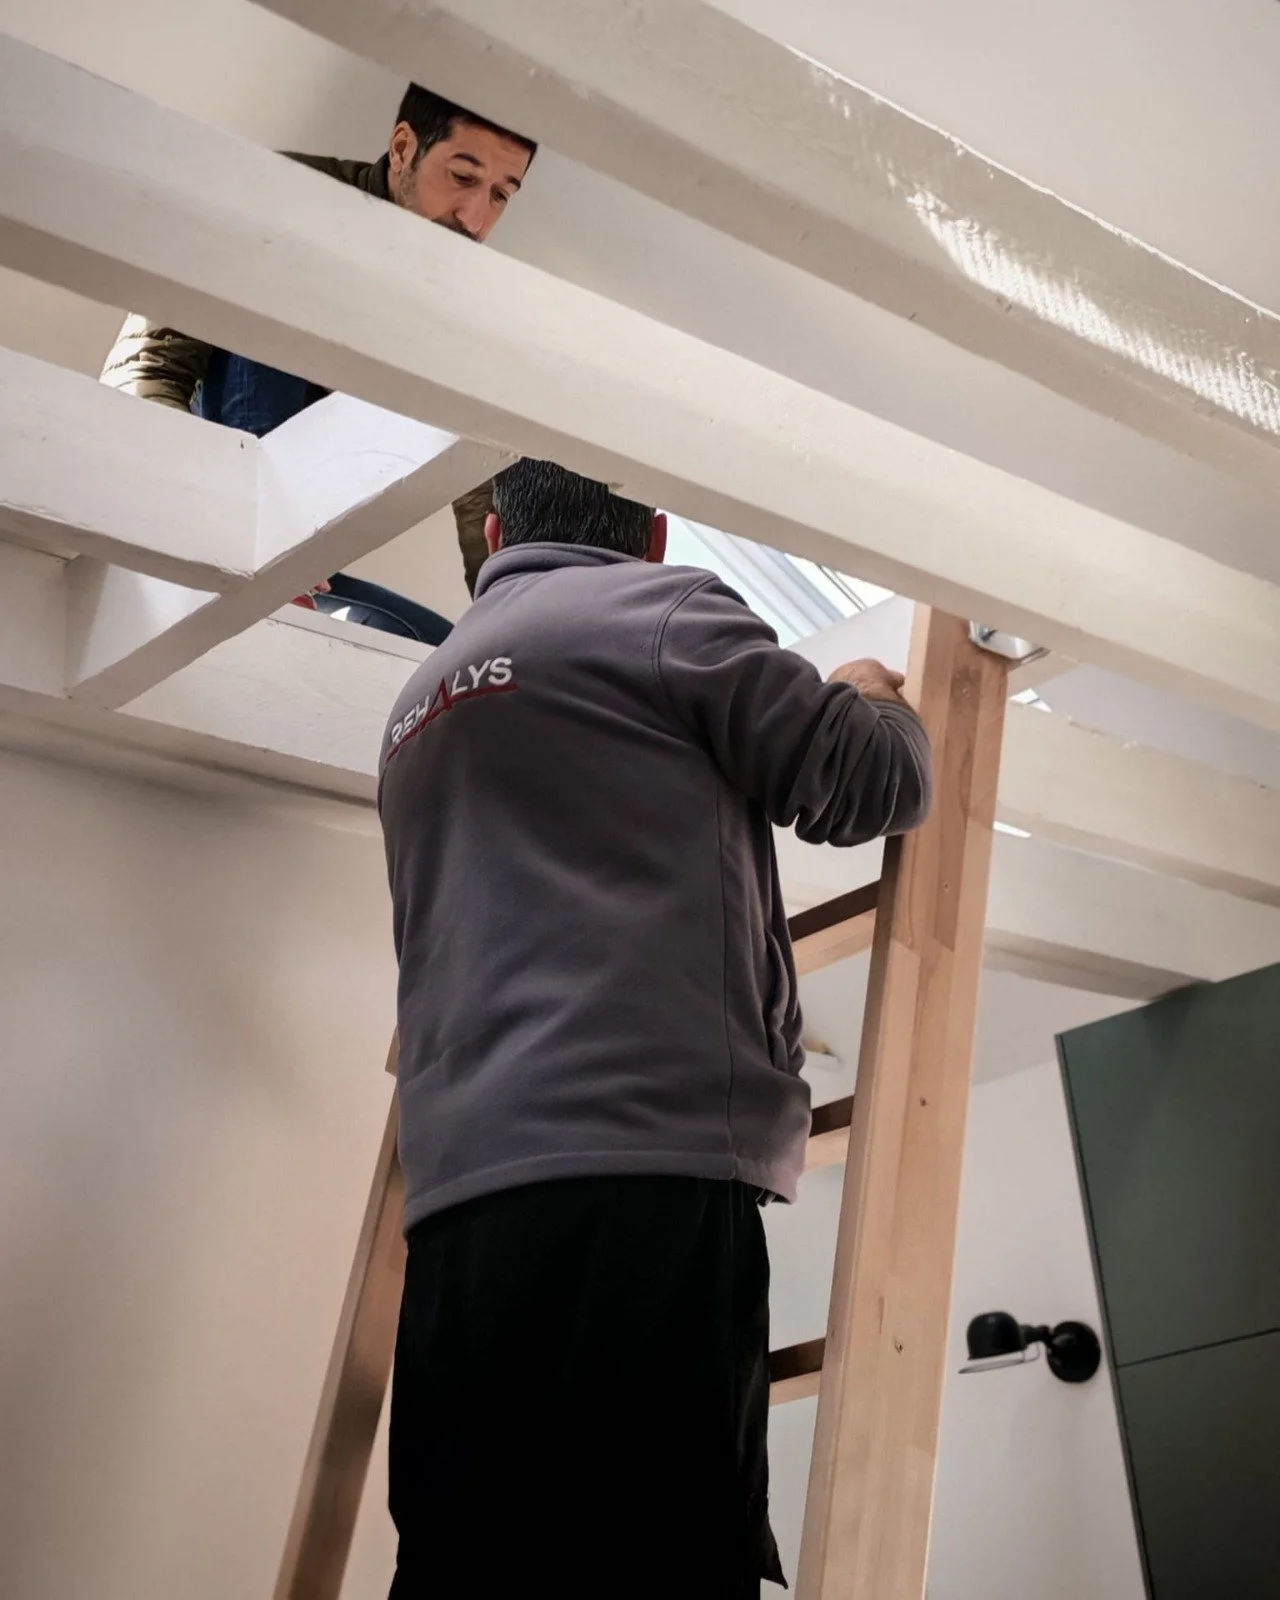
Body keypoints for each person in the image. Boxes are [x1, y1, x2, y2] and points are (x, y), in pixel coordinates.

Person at [377, 458, 934, 1596]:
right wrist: (869, 692)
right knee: (666, 1544)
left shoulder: (415, 702)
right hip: (640, 1161)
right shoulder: (658, 609)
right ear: (657, 533)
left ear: (495, 536)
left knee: (466, 1557)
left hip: (455, 1199)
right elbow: (865, 780)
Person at [99, 83, 536, 639]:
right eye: (463, 177)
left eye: (500, 196)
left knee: (444, 656)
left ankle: (294, 583)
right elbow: (143, 372)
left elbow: (477, 490)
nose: (475, 218)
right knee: (301, 263)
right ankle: (268, 558)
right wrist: (207, 513)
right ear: (404, 147)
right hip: (210, 508)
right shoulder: (277, 196)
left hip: (311, 557)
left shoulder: (457, 309)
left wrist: (512, 622)